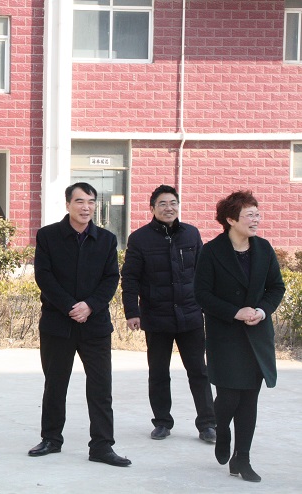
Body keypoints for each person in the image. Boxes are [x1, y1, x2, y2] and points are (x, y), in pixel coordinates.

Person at [28, 182, 131, 467]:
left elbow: (111, 278)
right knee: (55, 384)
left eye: (91, 202)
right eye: (80, 201)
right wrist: (70, 307)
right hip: (57, 324)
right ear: (68, 204)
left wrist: (90, 306)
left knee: (101, 387)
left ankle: (102, 445)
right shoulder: (48, 236)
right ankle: (51, 438)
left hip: (95, 325)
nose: (86, 207)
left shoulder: (107, 240)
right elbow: (44, 276)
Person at [194, 190, 285, 483]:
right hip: (225, 334)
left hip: (256, 334)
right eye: (249, 215)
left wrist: (261, 310)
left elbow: (276, 287)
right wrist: (235, 312)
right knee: (230, 395)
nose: (256, 219)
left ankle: (241, 458)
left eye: (257, 214)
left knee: (249, 398)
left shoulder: (264, 249)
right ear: (231, 219)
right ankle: (222, 430)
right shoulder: (212, 251)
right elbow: (201, 294)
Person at [121, 185, 216, 442]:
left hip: (190, 315)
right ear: (152, 208)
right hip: (156, 316)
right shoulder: (140, 239)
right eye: (162, 204)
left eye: (173, 203)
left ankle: (207, 424)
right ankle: (162, 422)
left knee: (199, 371)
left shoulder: (191, 234)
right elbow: (130, 278)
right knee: (159, 373)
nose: (168, 208)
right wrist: (132, 312)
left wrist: (207, 305)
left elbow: (204, 274)